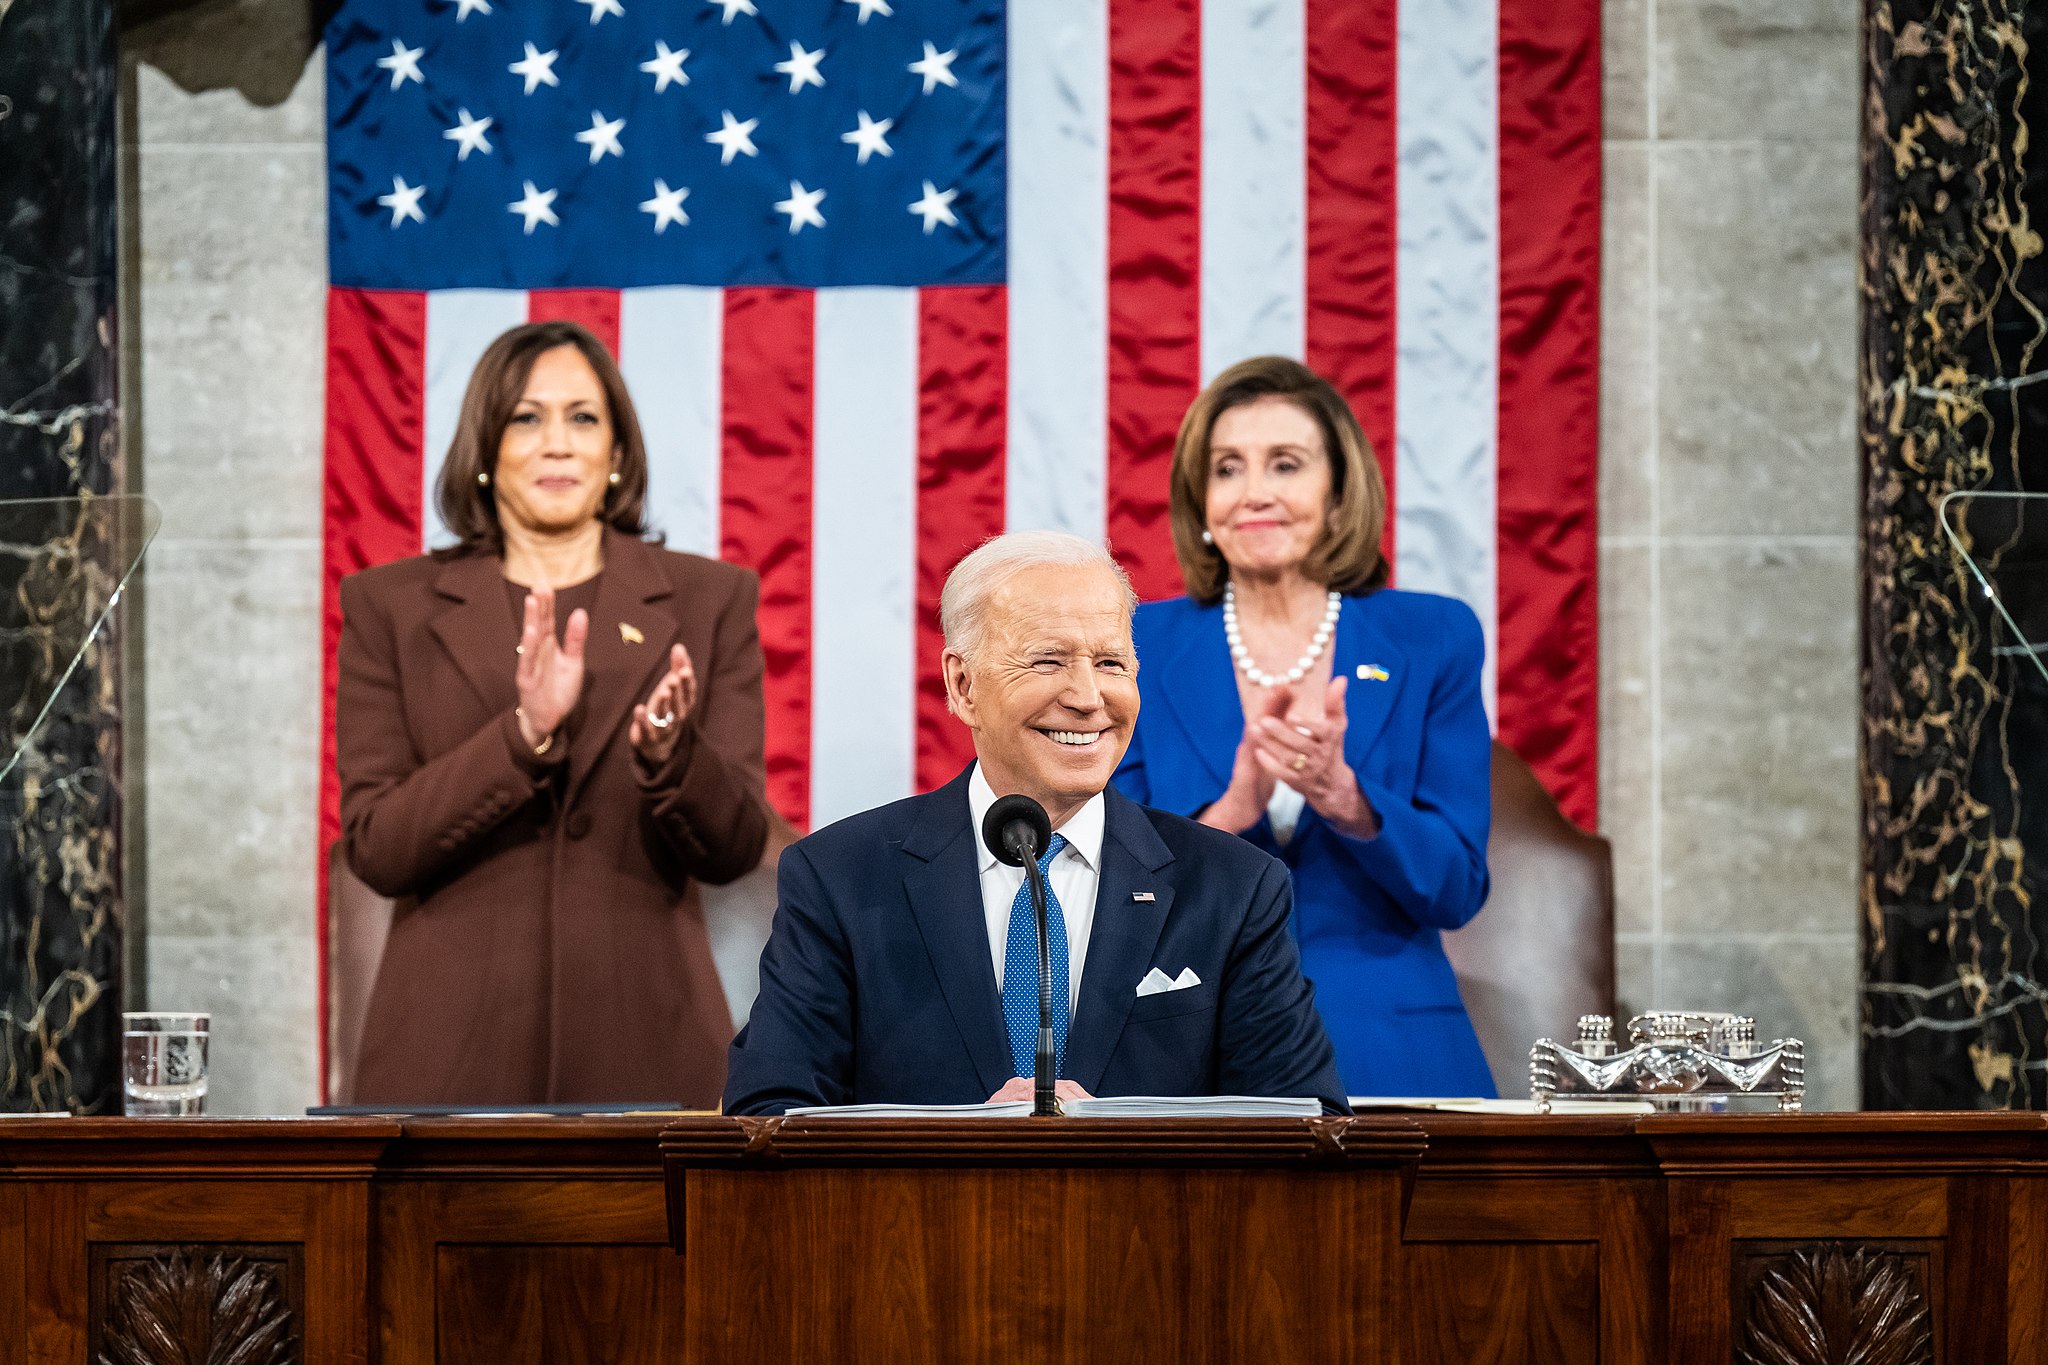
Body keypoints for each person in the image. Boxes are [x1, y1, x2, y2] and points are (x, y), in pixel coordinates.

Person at [723, 531, 1348, 1116]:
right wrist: (961, 1147)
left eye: (1110, 664)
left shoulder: (1235, 887)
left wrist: (1124, 1137)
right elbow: (769, 1114)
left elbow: (1306, 1127)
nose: (1087, 697)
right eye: (1048, 662)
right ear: (963, 685)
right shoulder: (842, 878)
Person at [336, 320, 768, 1106]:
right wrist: (523, 736)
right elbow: (377, 848)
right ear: (485, 449)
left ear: (618, 453)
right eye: (527, 417)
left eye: (583, 417)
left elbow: (735, 846)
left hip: (650, 1056)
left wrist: (674, 758)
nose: (558, 442)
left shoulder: (711, 600)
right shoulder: (387, 605)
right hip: (446, 1061)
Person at [1112, 356, 1495, 1098]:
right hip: (1193, 1048)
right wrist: (1232, 811)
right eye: (1227, 469)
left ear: (1340, 495)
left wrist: (1348, 799)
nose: (1255, 492)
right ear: (1201, 503)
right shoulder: (1138, 645)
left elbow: (1456, 887)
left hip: (1393, 1048)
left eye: (1285, 464)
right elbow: (1113, 895)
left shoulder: (1432, 637)